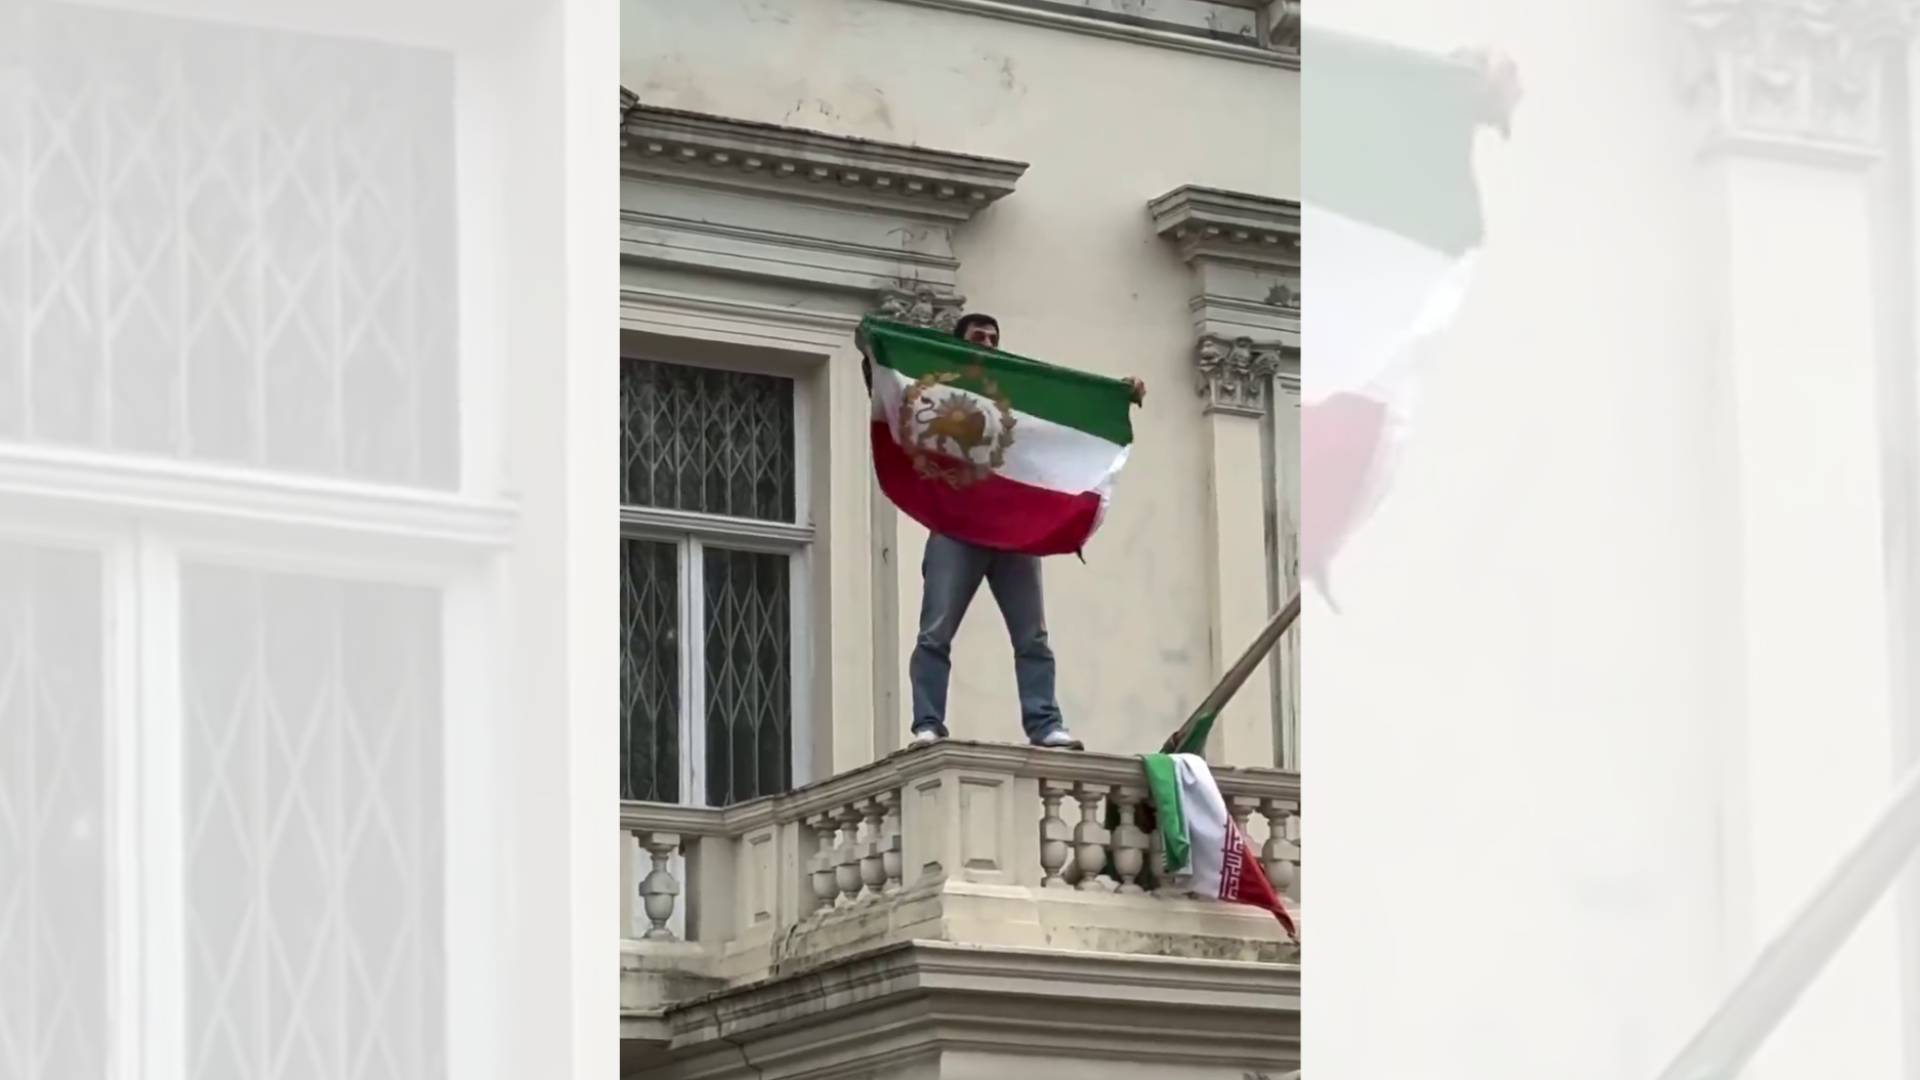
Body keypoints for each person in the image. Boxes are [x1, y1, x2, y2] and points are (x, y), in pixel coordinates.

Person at [894, 312, 1146, 750]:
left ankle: (1044, 725)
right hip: (956, 529)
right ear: (960, 343)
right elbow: (896, 392)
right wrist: (872, 356)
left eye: (994, 338)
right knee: (935, 633)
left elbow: (1064, 406)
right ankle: (927, 724)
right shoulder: (940, 386)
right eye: (978, 337)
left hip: (1012, 532)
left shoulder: (1015, 392)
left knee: (1033, 637)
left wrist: (1114, 394)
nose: (988, 344)